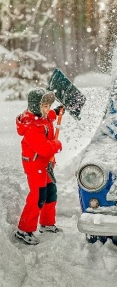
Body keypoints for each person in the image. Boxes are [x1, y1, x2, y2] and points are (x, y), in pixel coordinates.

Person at [15, 88, 63, 244]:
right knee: (38, 196)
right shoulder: (31, 126)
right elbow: (43, 148)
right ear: (36, 106)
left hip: (45, 164)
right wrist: (56, 144)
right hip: (35, 165)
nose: (47, 109)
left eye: (49, 106)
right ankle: (24, 229)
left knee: (50, 192)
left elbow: (49, 117)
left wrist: (56, 111)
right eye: (45, 106)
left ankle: (47, 223)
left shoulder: (42, 116)